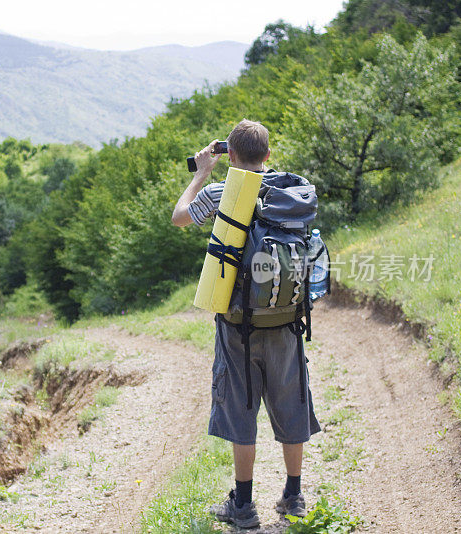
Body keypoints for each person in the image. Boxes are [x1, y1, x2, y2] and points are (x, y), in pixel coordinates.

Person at [170, 119, 321, 529]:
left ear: (230, 156)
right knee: (291, 401)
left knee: (241, 407)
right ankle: (293, 496)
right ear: (268, 156)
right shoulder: (290, 192)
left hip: (238, 326)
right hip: (288, 321)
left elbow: (180, 217)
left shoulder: (223, 192)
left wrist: (203, 172)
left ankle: (243, 505)